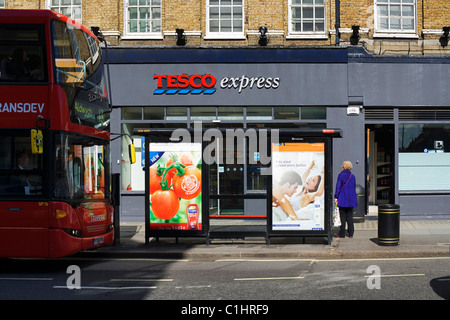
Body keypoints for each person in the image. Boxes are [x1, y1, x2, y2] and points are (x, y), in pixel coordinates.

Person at [334, 160, 358, 238]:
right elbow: (353, 187)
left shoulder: (340, 175)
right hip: (351, 199)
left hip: (342, 198)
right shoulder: (353, 176)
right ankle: (351, 233)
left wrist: (336, 197)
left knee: (342, 217)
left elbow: (338, 187)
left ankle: (342, 234)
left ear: (343, 167)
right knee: (349, 217)